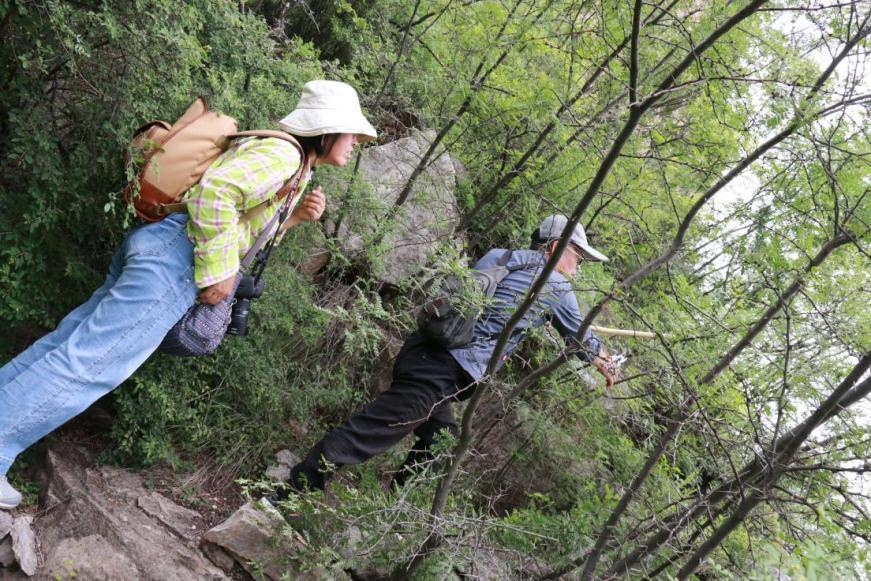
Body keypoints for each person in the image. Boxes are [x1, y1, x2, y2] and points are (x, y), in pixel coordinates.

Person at [0, 80, 377, 510]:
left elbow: (240, 226)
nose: (356, 143)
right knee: (88, 364)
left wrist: (292, 221)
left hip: (164, 248)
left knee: (70, 345)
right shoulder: (285, 154)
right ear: (326, 131)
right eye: (353, 134)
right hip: (176, 262)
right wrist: (218, 276)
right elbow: (215, 195)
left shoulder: (293, 163)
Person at [283, 214, 618, 494]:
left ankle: (387, 506)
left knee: (441, 438)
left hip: (424, 349)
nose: (579, 265)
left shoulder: (501, 257)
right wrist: (606, 363)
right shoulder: (556, 286)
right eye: (578, 255)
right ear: (556, 248)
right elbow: (580, 338)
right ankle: (288, 493)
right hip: (442, 371)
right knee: (368, 432)